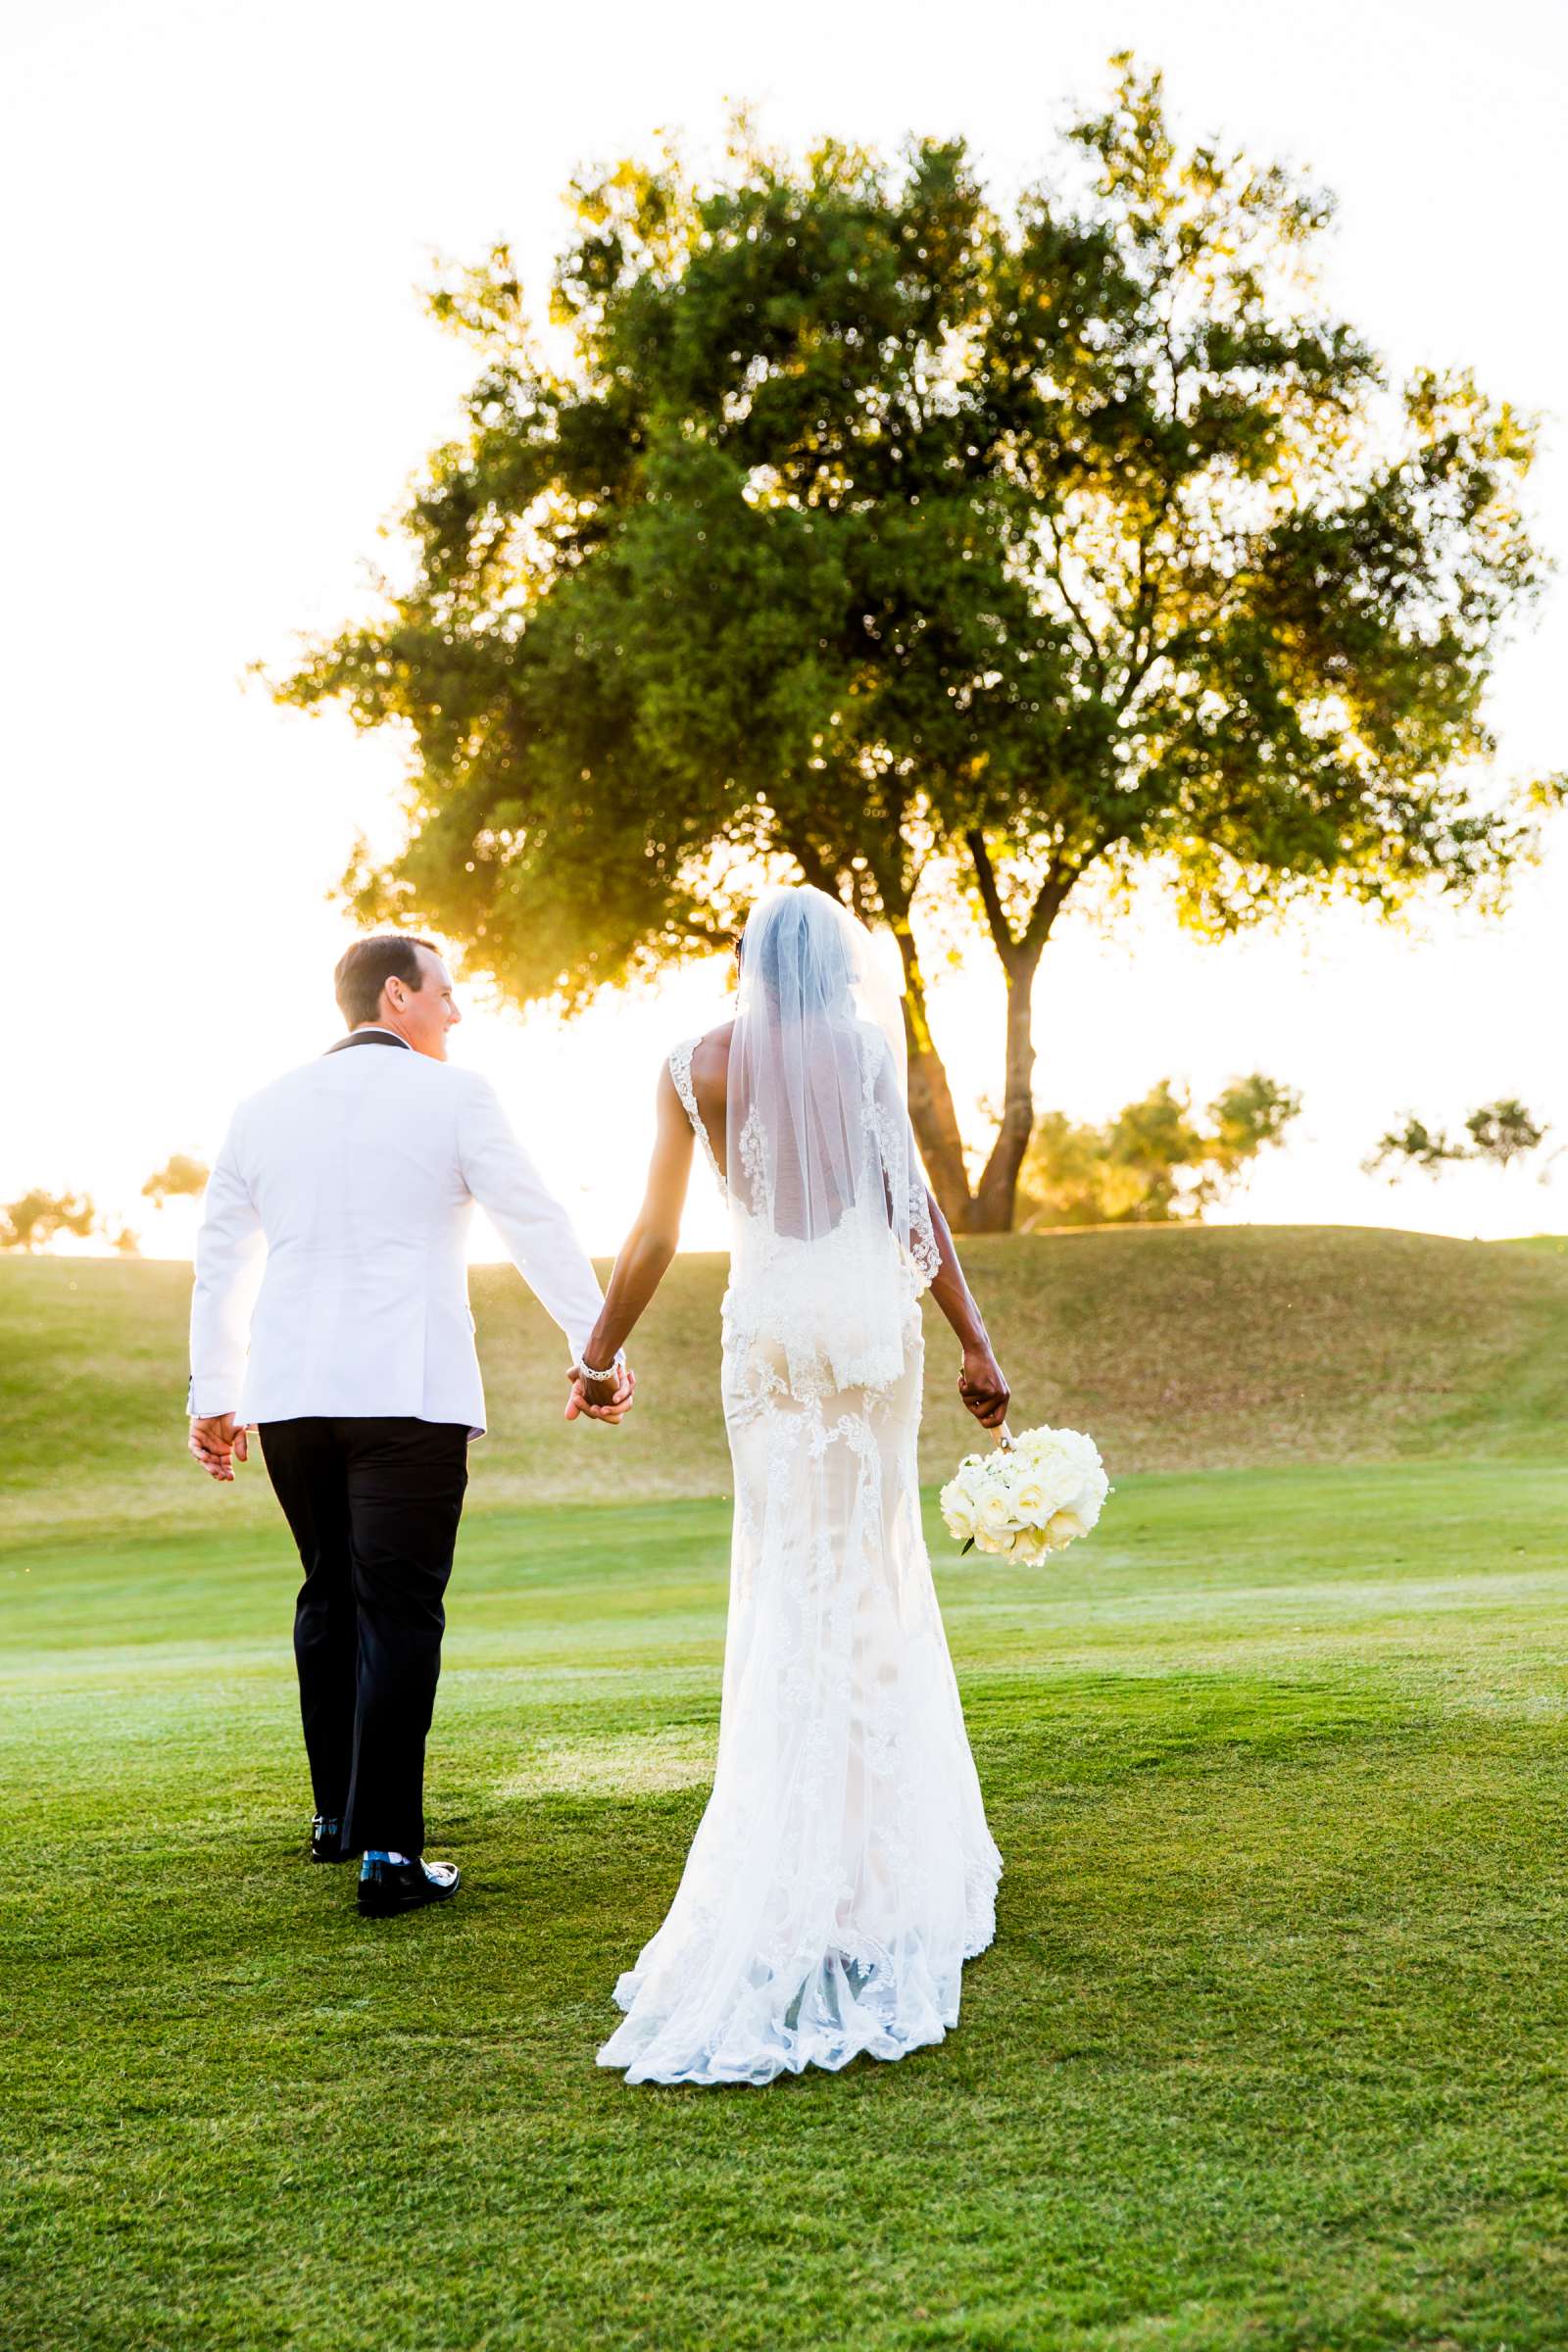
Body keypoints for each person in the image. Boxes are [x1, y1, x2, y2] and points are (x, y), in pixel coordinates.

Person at [574, 884, 1008, 2085]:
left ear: (745, 957)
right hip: (867, 1329)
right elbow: (909, 1206)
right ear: (839, 965)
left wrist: (598, 1349)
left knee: (789, 1586)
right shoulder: (864, 1052)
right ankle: (877, 1870)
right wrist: (976, 1342)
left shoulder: (691, 1065)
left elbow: (655, 1233)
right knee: (868, 1578)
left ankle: (800, 1858)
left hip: (766, 1335)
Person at [186, 934, 632, 1917]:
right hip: (407, 1390)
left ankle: (337, 1817)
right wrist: (594, 1352)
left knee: (328, 1595)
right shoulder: (455, 1095)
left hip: (290, 1392)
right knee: (396, 1609)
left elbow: (220, 1257)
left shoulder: (261, 1108)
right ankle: (387, 1852)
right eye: (447, 992)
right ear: (398, 994)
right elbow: (537, 1219)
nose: (457, 1013)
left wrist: (211, 1394)